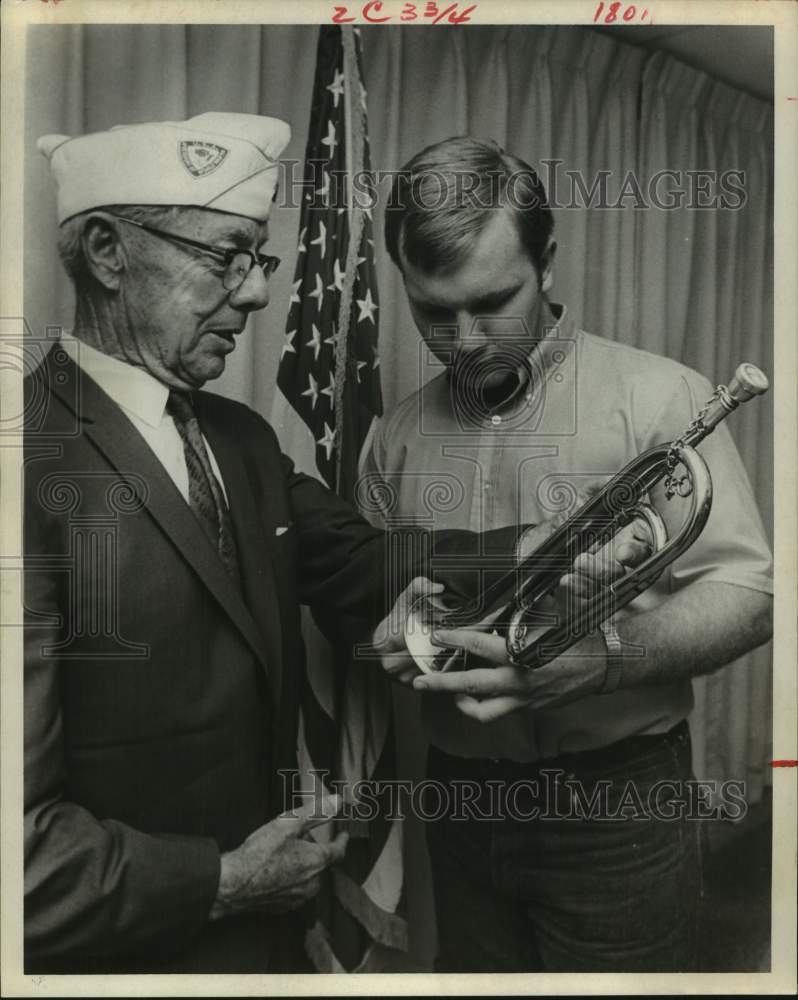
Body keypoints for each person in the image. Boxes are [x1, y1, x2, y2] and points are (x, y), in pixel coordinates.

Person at [24, 113, 537, 975]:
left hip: (271, 940)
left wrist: (546, 544)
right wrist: (223, 883)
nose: (257, 294)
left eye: (256, 260)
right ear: (109, 253)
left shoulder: (240, 438)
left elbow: (364, 562)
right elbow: (22, 855)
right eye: (225, 257)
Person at [361, 136, 774, 972]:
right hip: (459, 796)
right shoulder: (393, 437)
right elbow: (378, 590)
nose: (464, 342)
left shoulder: (661, 395)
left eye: (493, 303)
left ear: (547, 262)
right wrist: (395, 627)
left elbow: (748, 591)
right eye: (432, 312)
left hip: (620, 801)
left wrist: (609, 656)